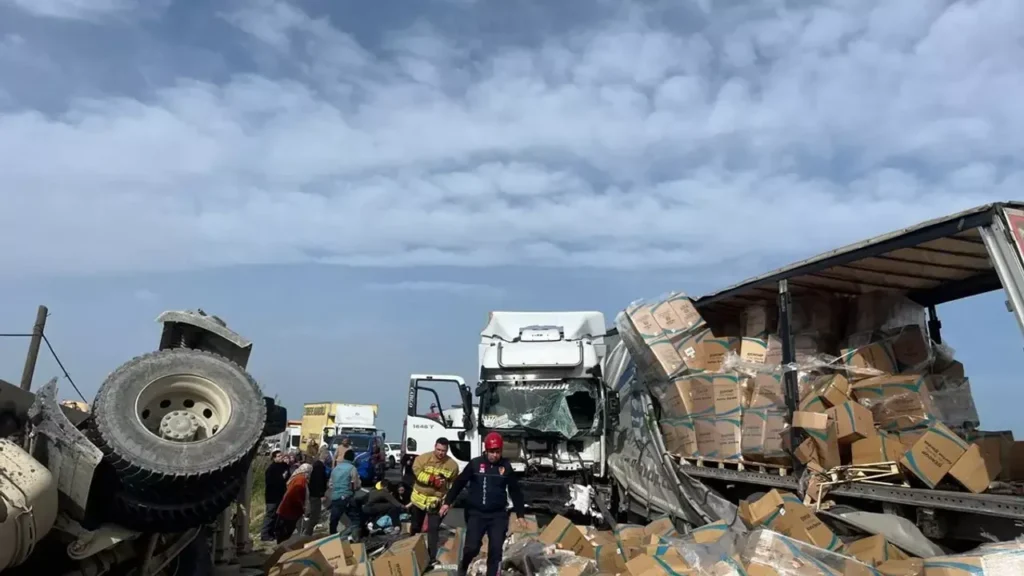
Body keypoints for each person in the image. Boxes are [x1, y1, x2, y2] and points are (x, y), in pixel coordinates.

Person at [441, 432, 526, 576]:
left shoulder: (506, 467)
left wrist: (520, 514)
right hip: (476, 513)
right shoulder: (475, 464)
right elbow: (459, 483)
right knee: (471, 548)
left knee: (495, 550)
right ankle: (464, 564)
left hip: (498, 515)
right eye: (492, 452)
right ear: (486, 450)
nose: (495, 455)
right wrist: (447, 502)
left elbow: (515, 491)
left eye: (498, 452)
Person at [410, 438, 459, 562]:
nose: (441, 453)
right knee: (416, 526)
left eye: (444, 450)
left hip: (436, 501)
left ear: (447, 450)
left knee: (433, 529)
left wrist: (448, 501)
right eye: (438, 449)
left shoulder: (452, 466)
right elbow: (416, 472)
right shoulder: (422, 459)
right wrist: (432, 480)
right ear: (434, 447)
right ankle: (411, 550)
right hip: (419, 499)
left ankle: (431, 557)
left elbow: (454, 484)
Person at [327, 449, 362, 536]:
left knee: (334, 520)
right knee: (355, 519)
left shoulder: (336, 468)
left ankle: (332, 537)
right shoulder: (352, 468)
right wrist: (356, 488)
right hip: (347, 496)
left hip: (335, 497)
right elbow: (355, 484)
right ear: (353, 459)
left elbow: (330, 484)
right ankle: (354, 538)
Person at [275, 463, 312, 543]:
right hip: (291, 509)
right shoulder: (301, 479)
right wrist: (302, 506)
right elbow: (296, 494)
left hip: (287, 508)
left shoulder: (297, 477)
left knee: (283, 530)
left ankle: (281, 546)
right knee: (286, 531)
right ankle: (282, 548)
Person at [261, 450, 290, 541]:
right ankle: (265, 534)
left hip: (281, 495)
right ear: (274, 458)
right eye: (278, 456)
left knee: (278, 516)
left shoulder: (284, 466)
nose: (280, 457)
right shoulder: (271, 469)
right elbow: (271, 483)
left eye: (281, 455)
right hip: (272, 496)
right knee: (270, 515)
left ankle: (273, 532)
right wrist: (282, 478)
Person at [302, 446, 330, 536]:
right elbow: (318, 482)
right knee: (315, 515)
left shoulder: (317, 465)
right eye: (327, 456)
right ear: (324, 456)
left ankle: (308, 532)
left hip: (314, 493)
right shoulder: (319, 466)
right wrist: (321, 494)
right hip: (315, 494)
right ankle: (307, 533)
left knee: (315, 514)